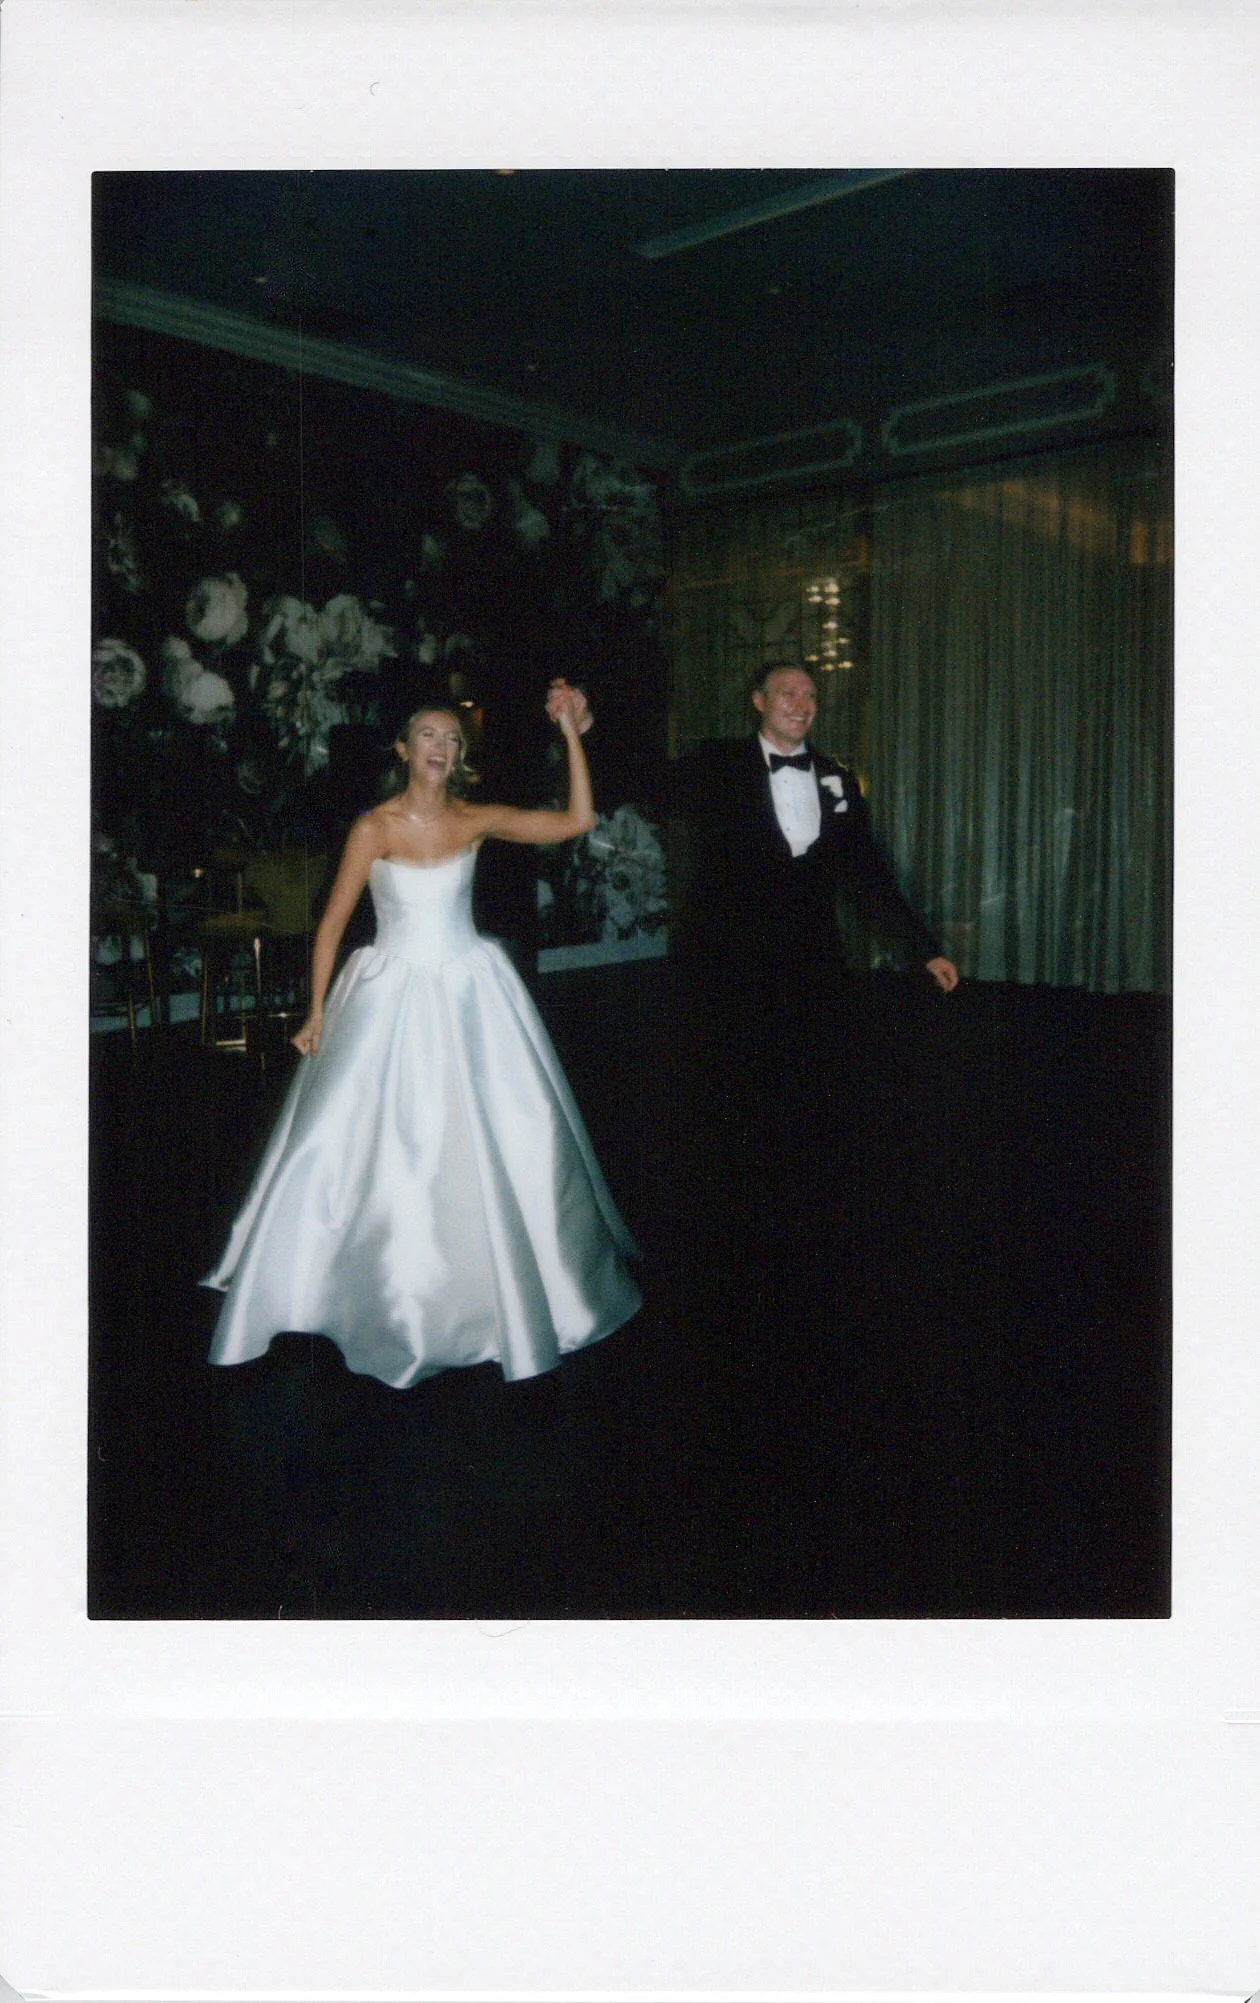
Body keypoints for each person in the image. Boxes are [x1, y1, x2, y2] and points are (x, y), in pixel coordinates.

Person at [201, 681, 642, 1389]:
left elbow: (577, 820)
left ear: (459, 757)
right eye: (429, 736)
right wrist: (315, 1012)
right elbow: (334, 924)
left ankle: (498, 1285)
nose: (441, 746)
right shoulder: (374, 827)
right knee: (357, 1145)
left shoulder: (473, 817)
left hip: (471, 988)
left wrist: (571, 733)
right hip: (391, 992)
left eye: (452, 739)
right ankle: (329, 1283)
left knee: (503, 1137)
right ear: (406, 751)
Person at [664, 662, 958, 1260]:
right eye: (787, 693)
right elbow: (643, 781)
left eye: (810, 695)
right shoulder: (717, 764)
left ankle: (799, 1208)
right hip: (730, 952)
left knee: (810, 1074)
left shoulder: (836, 777)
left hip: (809, 953)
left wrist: (922, 948)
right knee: (732, 1076)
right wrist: (581, 728)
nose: (801, 704)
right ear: (758, 701)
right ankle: (726, 1207)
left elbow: (867, 872)